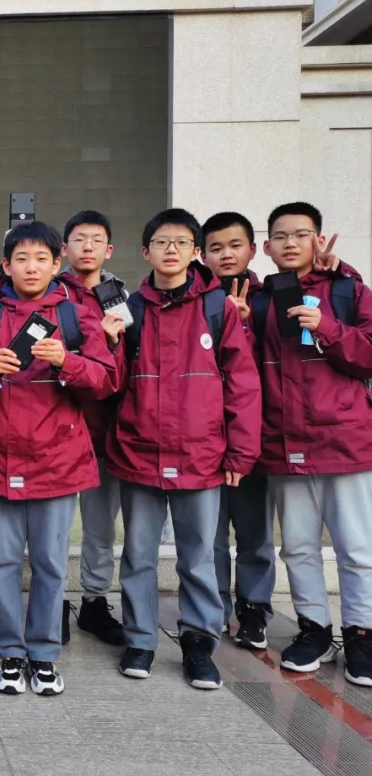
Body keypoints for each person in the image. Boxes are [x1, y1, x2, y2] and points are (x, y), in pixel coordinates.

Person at [0, 222, 119, 697]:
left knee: (50, 563)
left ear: (56, 263)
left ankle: (44, 654)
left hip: (58, 461)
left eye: (41, 259)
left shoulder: (77, 317)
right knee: (3, 562)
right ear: (6, 266)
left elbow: (107, 380)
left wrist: (67, 361)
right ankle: (9, 651)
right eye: (21, 259)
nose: (32, 267)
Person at [107, 208, 261, 690]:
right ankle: (140, 639)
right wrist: (108, 341)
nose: (170, 250)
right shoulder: (130, 309)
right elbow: (111, 382)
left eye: (180, 242)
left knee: (198, 558)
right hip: (139, 453)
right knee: (138, 556)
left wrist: (241, 452)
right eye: (161, 242)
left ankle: (199, 643)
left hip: (201, 456)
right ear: (145, 251)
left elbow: (242, 383)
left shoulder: (217, 308)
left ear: (196, 252)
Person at [254, 202, 372, 685]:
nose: (290, 243)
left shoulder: (348, 291)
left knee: (357, 548)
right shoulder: (259, 300)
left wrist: (324, 325)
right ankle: (313, 629)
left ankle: (361, 634)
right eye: (280, 236)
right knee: (298, 546)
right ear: (267, 246)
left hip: (345, 442)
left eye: (300, 234)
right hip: (283, 442)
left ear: (318, 240)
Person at [200, 211, 275, 650]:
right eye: (215, 247)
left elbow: (264, 371)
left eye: (234, 245)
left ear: (252, 249)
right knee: (208, 537)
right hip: (204, 440)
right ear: (202, 255)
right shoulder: (196, 302)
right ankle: (214, 608)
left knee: (253, 532)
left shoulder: (270, 301)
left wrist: (244, 322)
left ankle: (254, 609)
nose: (225, 254)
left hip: (252, 436)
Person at [55, 210, 128, 646]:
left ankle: (95, 602)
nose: (87, 247)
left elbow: (127, 364)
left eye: (96, 240)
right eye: (79, 239)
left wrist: (112, 343)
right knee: (54, 529)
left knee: (100, 527)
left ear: (109, 249)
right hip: (58, 429)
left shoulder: (119, 296)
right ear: (64, 249)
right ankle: (54, 603)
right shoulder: (51, 292)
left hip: (105, 430)